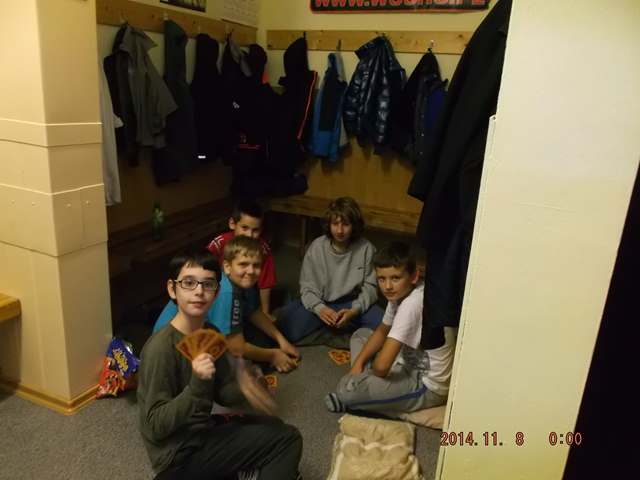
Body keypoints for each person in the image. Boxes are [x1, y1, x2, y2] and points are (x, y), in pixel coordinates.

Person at [137, 250, 303, 479]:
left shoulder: (211, 333)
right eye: (188, 283)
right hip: (177, 456)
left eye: (208, 284)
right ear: (172, 289)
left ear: (216, 293)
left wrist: (245, 384)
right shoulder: (160, 349)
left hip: (201, 431)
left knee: (273, 427)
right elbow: (155, 427)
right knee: (288, 440)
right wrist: (197, 384)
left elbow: (223, 393)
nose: (199, 291)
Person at [325, 242, 455, 414]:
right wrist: (358, 364)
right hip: (404, 360)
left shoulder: (412, 304)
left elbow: (381, 368)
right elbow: (382, 330)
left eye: (395, 278)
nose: (387, 286)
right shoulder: (399, 293)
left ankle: (357, 395)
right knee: (361, 335)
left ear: (414, 276)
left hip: (425, 384)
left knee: (346, 391)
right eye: (381, 279)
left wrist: (362, 377)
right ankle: (364, 388)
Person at [154, 236, 300, 373]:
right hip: (175, 347)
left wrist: (282, 340)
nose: (250, 271)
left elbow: (254, 312)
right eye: (243, 264)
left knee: (264, 341)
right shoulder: (227, 292)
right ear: (227, 267)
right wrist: (273, 356)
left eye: (256, 265)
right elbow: (236, 348)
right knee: (242, 367)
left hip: (201, 331)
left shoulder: (246, 280)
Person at [278, 196, 384, 344]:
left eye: (345, 224)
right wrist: (320, 309)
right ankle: (340, 332)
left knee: (384, 327)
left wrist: (355, 310)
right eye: (335, 224)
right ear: (329, 225)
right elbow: (308, 287)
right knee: (286, 329)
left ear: (354, 225)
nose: (340, 231)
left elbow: (371, 287)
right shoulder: (317, 247)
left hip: (353, 302)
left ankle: (333, 330)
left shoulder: (366, 248)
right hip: (323, 302)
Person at [207, 199, 277, 319]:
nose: (249, 235)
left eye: (255, 230)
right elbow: (203, 267)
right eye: (244, 228)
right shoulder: (219, 243)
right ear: (232, 224)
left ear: (261, 229)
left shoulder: (263, 249)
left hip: (247, 286)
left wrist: (265, 312)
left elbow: (265, 283)